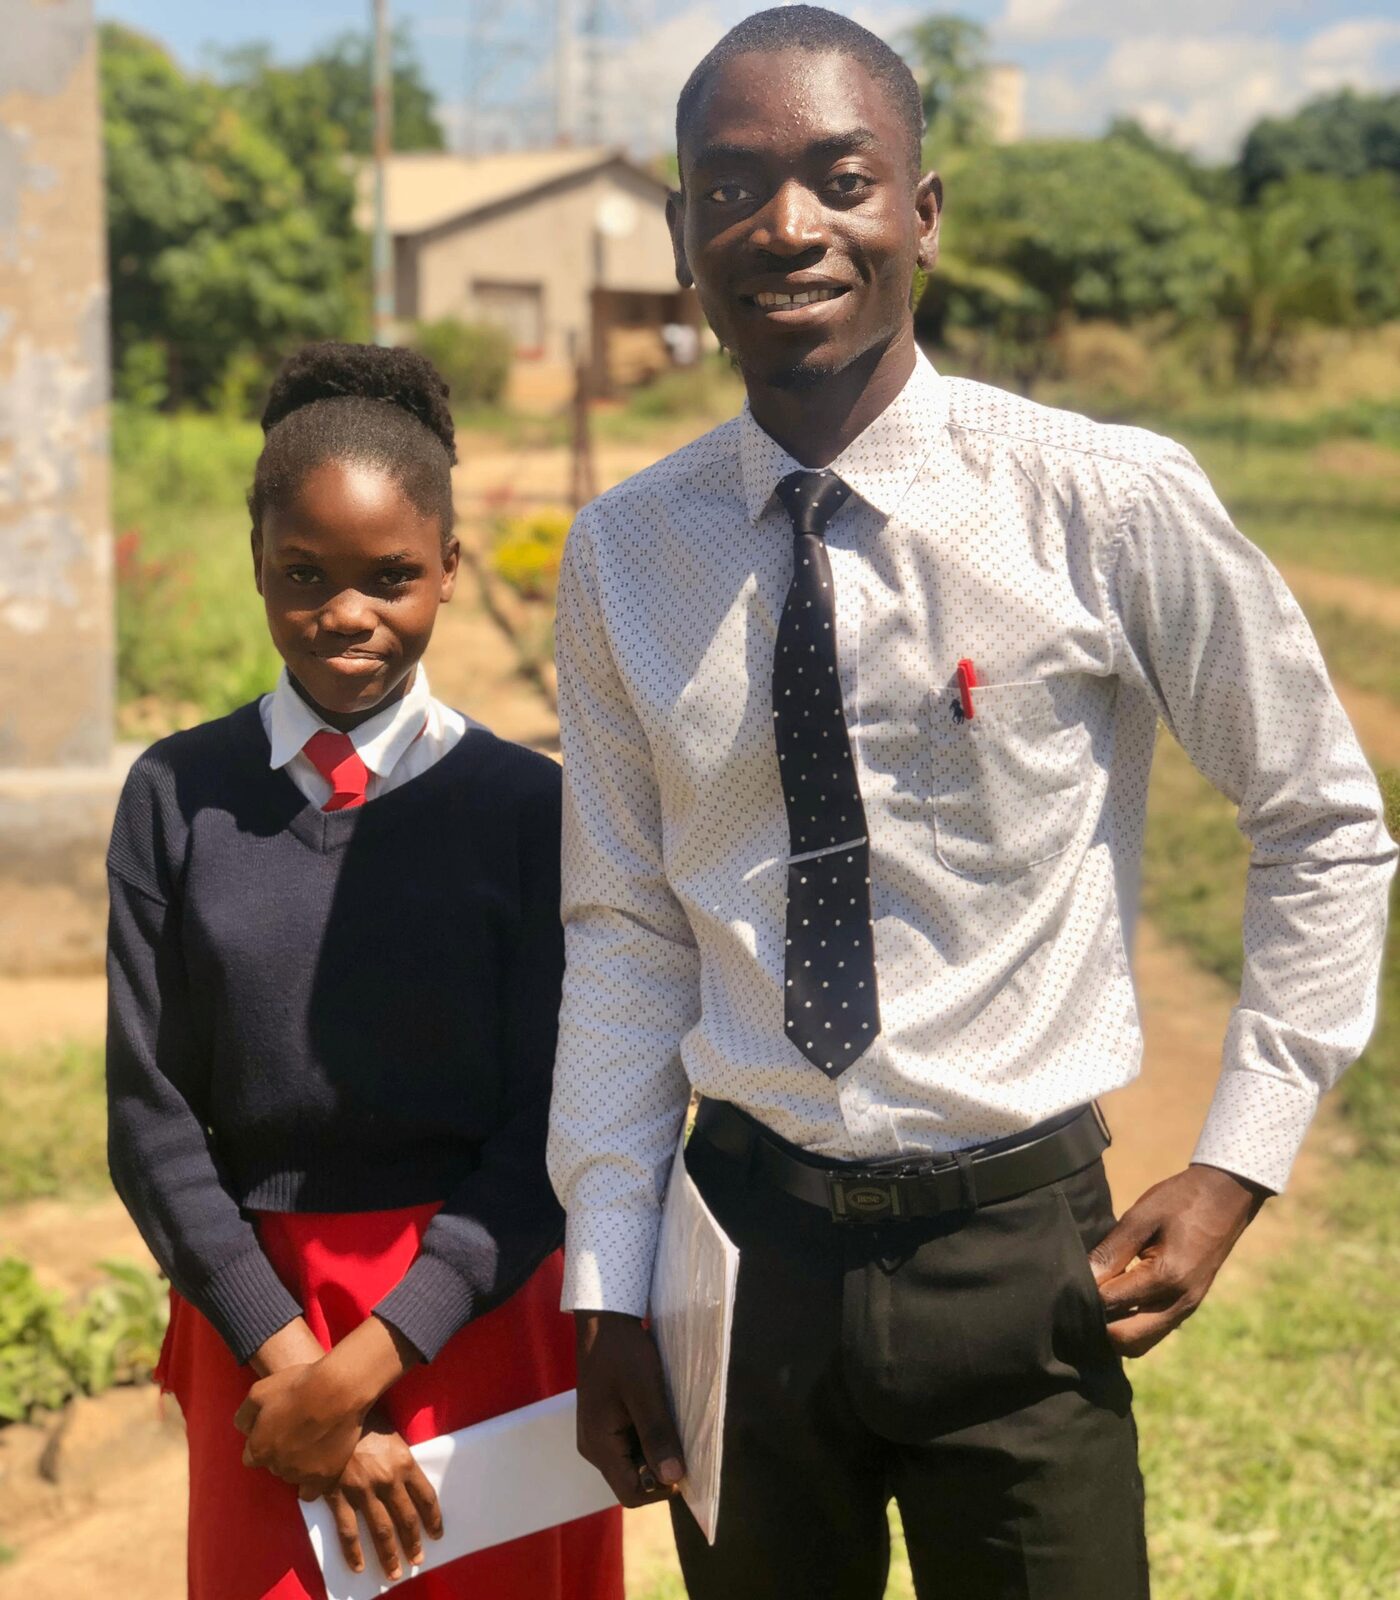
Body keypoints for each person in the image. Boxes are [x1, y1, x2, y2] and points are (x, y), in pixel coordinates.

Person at [545, 9, 1397, 1598]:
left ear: (920, 215)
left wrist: (1235, 1164)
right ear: (680, 234)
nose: (787, 227)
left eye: (838, 179)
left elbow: (1322, 822)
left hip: (1019, 1254)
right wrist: (610, 1276)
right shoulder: (623, 559)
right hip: (741, 1246)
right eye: (731, 188)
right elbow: (626, 924)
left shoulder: (1101, 499)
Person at [106, 342, 623, 1600]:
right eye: (304, 575)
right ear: (258, 568)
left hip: (475, 1312)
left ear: (448, 569)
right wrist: (298, 1372)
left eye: (390, 576)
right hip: (257, 1320)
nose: (346, 612)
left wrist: (371, 1362)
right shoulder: (177, 796)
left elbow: (553, 1113)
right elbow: (150, 1116)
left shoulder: (527, 807)